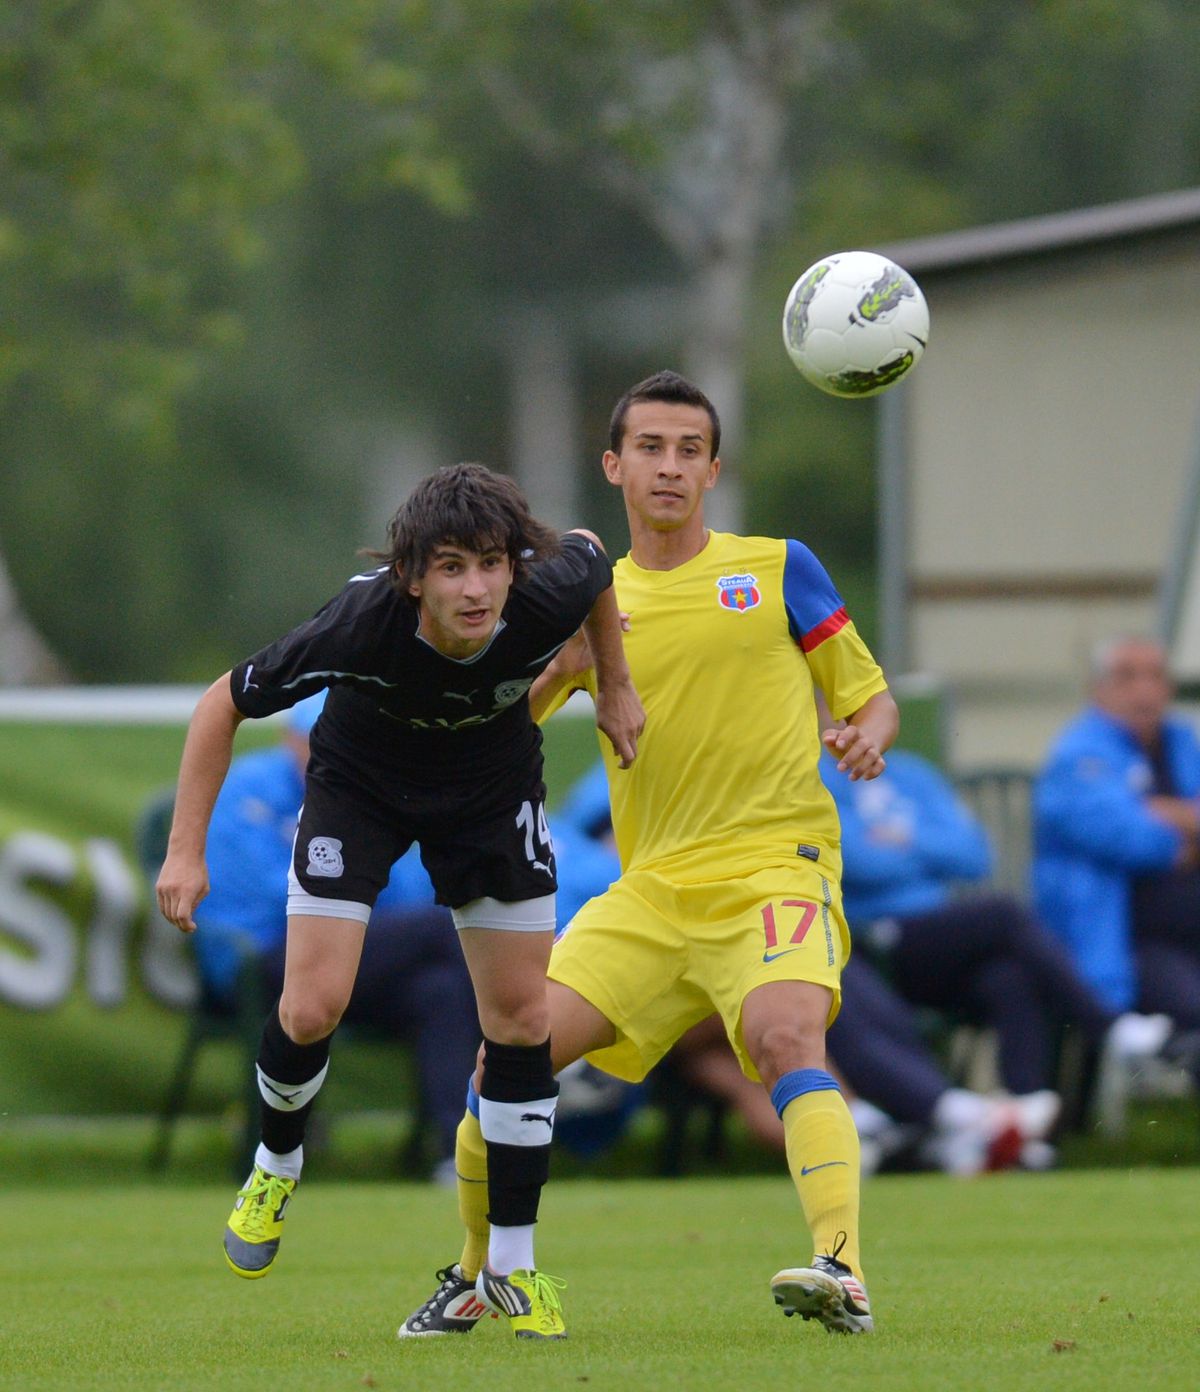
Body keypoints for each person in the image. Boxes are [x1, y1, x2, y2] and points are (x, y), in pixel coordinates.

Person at [400, 370, 899, 1341]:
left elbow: (867, 694)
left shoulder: (779, 566)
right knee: (506, 1062)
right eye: (651, 449)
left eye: (688, 451)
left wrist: (868, 734)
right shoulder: (582, 599)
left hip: (772, 866)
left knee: (786, 1039)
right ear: (614, 465)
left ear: (715, 469)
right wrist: (558, 668)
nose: (670, 467)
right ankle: (471, 1276)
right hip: (654, 889)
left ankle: (842, 1268)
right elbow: (495, 724)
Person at [156, 462, 644, 1339]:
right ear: (411, 576)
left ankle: (516, 1267)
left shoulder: (541, 592)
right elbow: (217, 706)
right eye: (452, 567)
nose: (477, 588)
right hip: (362, 789)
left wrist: (615, 681)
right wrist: (186, 852)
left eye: (491, 564)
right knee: (311, 1006)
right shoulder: (360, 624)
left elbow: (597, 556)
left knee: (523, 1019)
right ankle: (275, 1162)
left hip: (489, 792)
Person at [193, 689, 482, 1180]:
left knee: (442, 990)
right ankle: (534, 1042)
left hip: (350, 959)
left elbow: (406, 890)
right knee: (447, 929)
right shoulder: (249, 788)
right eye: (319, 739)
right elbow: (266, 896)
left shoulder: (372, 791)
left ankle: (455, 1155)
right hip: (261, 958)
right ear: (290, 739)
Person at [825, 741, 1172, 1143]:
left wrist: (903, 839)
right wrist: (920, 847)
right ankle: (1105, 1024)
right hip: (870, 941)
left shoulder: (912, 771)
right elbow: (856, 861)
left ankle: (1021, 1117)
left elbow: (974, 855)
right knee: (1004, 915)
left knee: (1007, 976)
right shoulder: (816, 775)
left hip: (936, 934)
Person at [1033, 636, 1200, 1115]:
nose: (1144, 690)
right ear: (1097, 688)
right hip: (1123, 941)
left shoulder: (1182, 742)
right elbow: (1123, 835)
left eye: (1155, 676)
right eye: (1127, 676)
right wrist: (1180, 833)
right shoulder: (1076, 753)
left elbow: (1138, 822)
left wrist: (1160, 812)